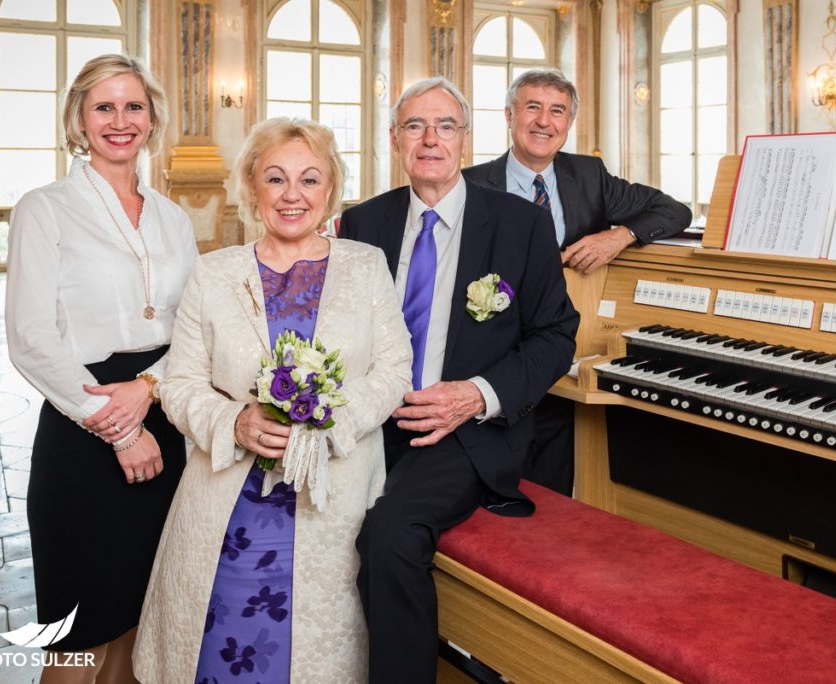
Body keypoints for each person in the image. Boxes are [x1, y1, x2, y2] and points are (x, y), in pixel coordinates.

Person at [132, 117, 411, 683]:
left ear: (330, 188)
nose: (293, 195)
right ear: (251, 187)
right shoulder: (212, 274)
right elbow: (181, 383)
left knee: (316, 658)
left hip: (332, 500)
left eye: (310, 180)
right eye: (276, 178)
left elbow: (394, 368)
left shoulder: (366, 265)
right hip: (230, 508)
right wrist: (234, 421)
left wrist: (330, 423)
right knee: (222, 654)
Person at [339, 77, 579, 683]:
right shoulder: (363, 222)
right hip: (370, 419)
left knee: (389, 537)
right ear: (395, 139)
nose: (431, 139)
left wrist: (477, 395)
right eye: (415, 126)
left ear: (467, 141)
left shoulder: (520, 224)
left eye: (446, 126)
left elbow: (555, 337)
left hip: (463, 431)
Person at [4, 54, 197, 682]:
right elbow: (31, 338)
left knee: (137, 625)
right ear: (79, 120)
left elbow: (196, 329)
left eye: (133, 106)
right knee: (79, 636)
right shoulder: (45, 207)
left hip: (163, 420)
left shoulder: (172, 216)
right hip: (82, 424)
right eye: (104, 107)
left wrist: (148, 392)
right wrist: (119, 426)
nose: (120, 120)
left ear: (152, 118)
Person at [463, 68, 692, 496]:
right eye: (532, 108)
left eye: (557, 111)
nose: (544, 122)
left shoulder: (589, 176)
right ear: (509, 115)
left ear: (568, 123)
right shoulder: (472, 184)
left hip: (566, 348)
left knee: (555, 486)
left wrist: (619, 235)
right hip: (492, 358)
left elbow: (674, 211)